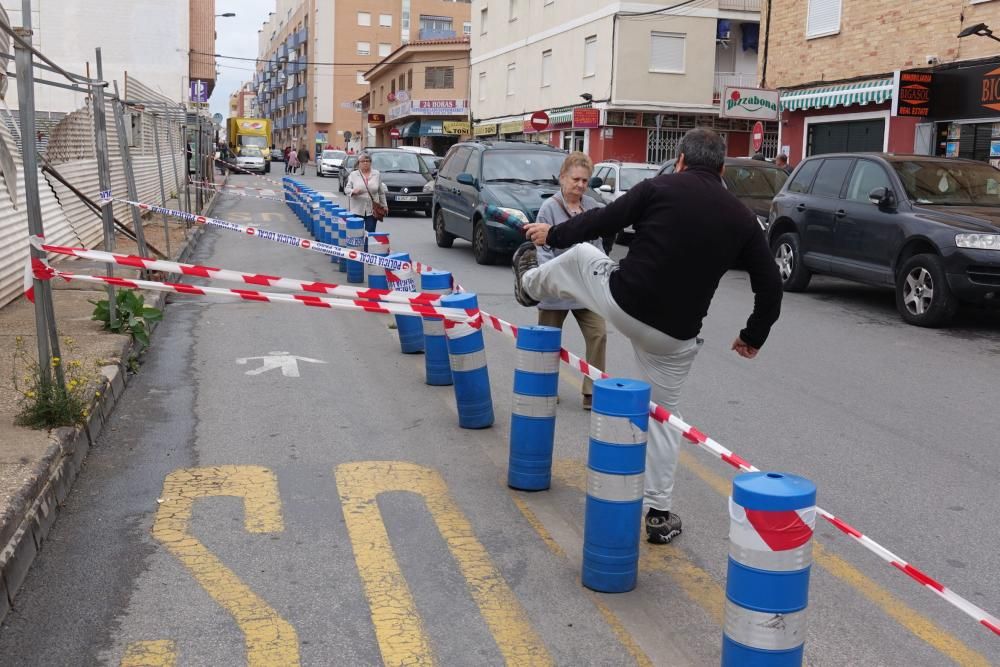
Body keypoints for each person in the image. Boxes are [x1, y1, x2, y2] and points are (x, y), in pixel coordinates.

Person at [513, 128, 782, 544]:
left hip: (624, 304)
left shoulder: (657, 188)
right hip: (674, 338)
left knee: (582, 255)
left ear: (679, 160)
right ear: (722, 169)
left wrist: (553, 234)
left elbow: (600, 221)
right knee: (663, 419)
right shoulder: (742, 218)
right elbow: (770, 285)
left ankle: (529, 285)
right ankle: (658, 514)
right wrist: (753, 335)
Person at [534, 152, 608, 411]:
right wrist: (553, 278)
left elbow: (598, 246)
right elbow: (542, 252)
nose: (580, 185)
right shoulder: (549, 208)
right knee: (547, 341)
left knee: (598, 334)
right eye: (576, 179)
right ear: (563, 178)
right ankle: (545, 387)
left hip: (585, 290)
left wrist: (603, 272)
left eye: (585, 181)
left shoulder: (590, 208)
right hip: (556, 289)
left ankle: (591, 392)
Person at [345, 152, 388, 234]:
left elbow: (381, 192)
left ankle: (368, 247)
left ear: (370, 163)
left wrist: (384, 205)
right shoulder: (353, 175)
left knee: (370, 233)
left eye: (367, 161)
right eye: (363, 161)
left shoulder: (376, 174)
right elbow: (346, 190)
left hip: (372, 211)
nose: (365, 163)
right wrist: (353, 191)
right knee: (356, 233)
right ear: (359, 163)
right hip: (356, 210)